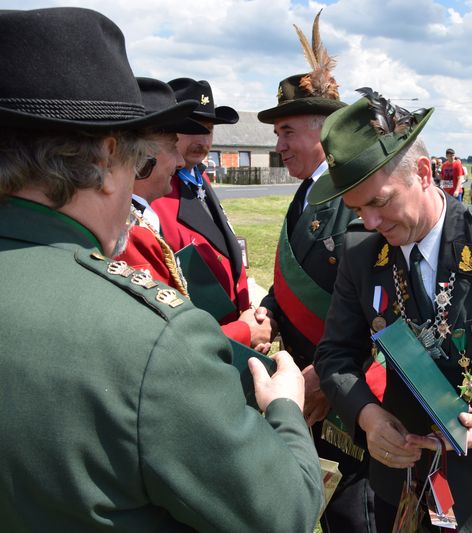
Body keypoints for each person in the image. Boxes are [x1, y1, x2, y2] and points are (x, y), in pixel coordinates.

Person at [0, 7, 322, 531]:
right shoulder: (155, 341)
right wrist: (285, 408)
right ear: (107, 159)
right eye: (137, 164)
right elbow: (282, 513)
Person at [309, 89, 472, 533]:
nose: (370, 222)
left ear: (424, 173)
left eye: (379, 202)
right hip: (402, 476)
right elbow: (335, 355)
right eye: (356, 209)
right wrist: (368, 417)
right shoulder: (361, 253)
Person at [255, 11, 375, 532]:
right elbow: (302, 274)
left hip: (342, 389)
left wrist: (335, 378)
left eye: (286, 132)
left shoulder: (355, 195)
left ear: (324, 130)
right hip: (303, 380)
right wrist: (270, 311)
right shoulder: (307, 190)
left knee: (354, 511)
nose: (278, 145)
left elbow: (381, 304)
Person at [150, 78, 271, 348]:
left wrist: (247, 319)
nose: (203, 140)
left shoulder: (199, 178)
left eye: (208, 129)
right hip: (199, 341)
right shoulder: (155, 194)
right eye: (192, 128)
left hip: (233, 333)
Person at [114, 77, 209, 291]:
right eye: (173, 148)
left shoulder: (139, 219)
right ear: (143, 155)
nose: (180, 161)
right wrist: (244, 327)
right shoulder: (128, 231)